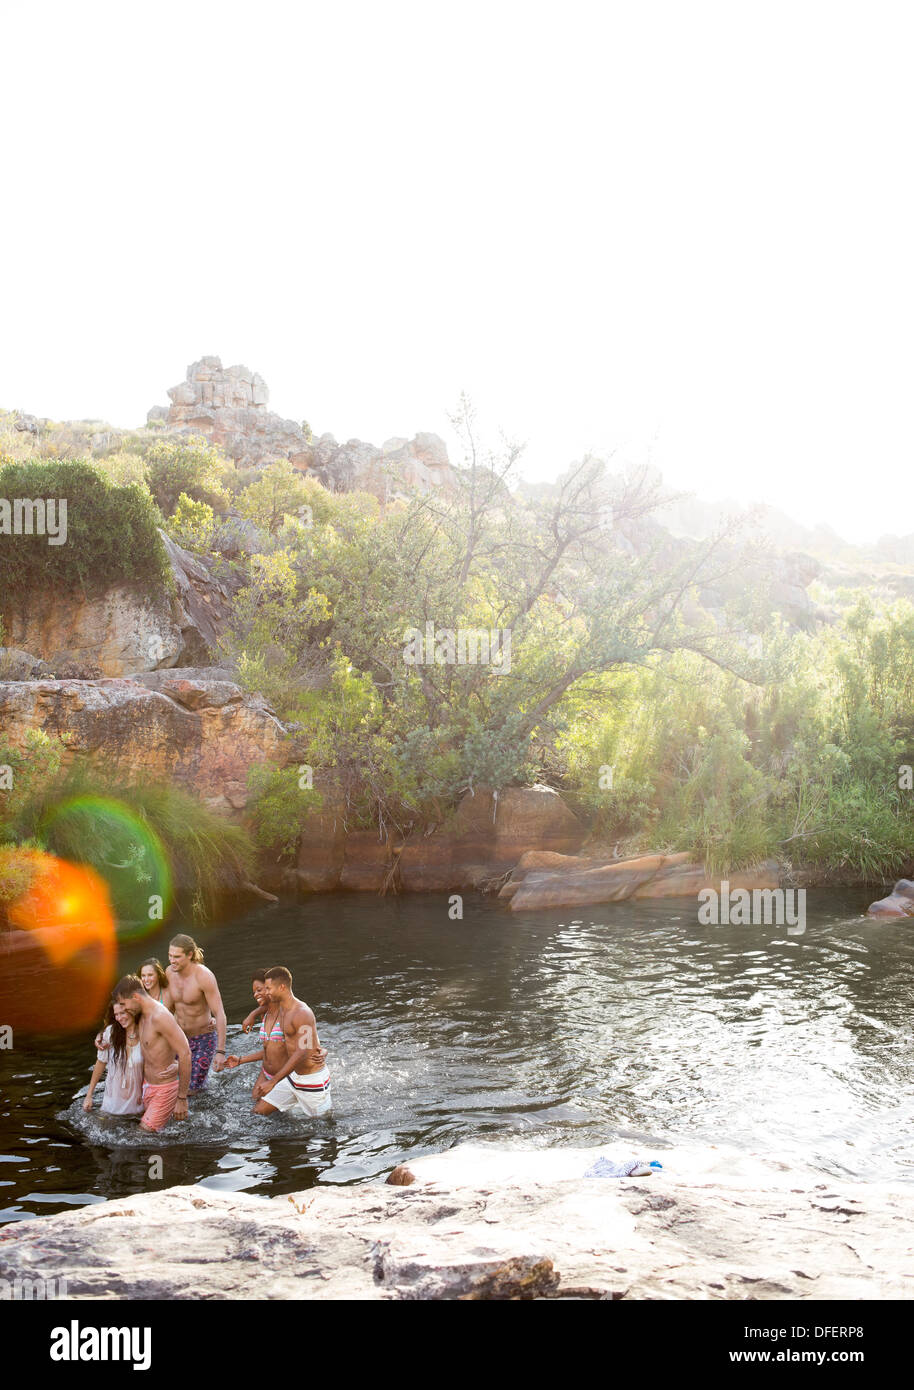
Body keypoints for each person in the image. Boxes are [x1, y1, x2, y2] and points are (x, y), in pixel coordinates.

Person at [111, 974, 191, 1132]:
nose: (123, 1008)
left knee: (141, 1136)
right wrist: (101, 1036)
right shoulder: (139, 1015)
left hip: (165, 1088)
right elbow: (116, 1022)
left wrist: (182, 1098)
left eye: (124, 1003)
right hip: (146, 1086)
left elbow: (185, 1052)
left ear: (135, 997)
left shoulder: (160, 1016)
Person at [252, 966, 331, 1118]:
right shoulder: (282, 1008)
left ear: (282, 987)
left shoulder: (302, 1012)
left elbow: (303, 1051)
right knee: (258, 1112)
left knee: (323, 1128)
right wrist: (252, 1014)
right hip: (293, 1078)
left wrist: (273, 1081)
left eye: (268, 988)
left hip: (312, 1081)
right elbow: (267, 1007)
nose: (266, 992)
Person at [166, 933, 227, 1093]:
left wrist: (220, 1052)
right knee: (173, 1084)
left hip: (203, 1039)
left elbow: (219, 1013)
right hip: (179, 1039)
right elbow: (166, 1009)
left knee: (191, 1090)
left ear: (190, 955)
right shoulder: (169, 973)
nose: (172, 960)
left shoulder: (204, 976)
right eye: (170, 955)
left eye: (177, 956)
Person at [83, 999, 144, 1116]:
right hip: (112, 1103)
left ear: (132, 1011)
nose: (119, 1018)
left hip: (137, 1104)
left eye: (122, 1013)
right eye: (116, 1014)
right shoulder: (110, 1033)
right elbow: (100, 1063)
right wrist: (89, 1095)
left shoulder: (145, 1033)